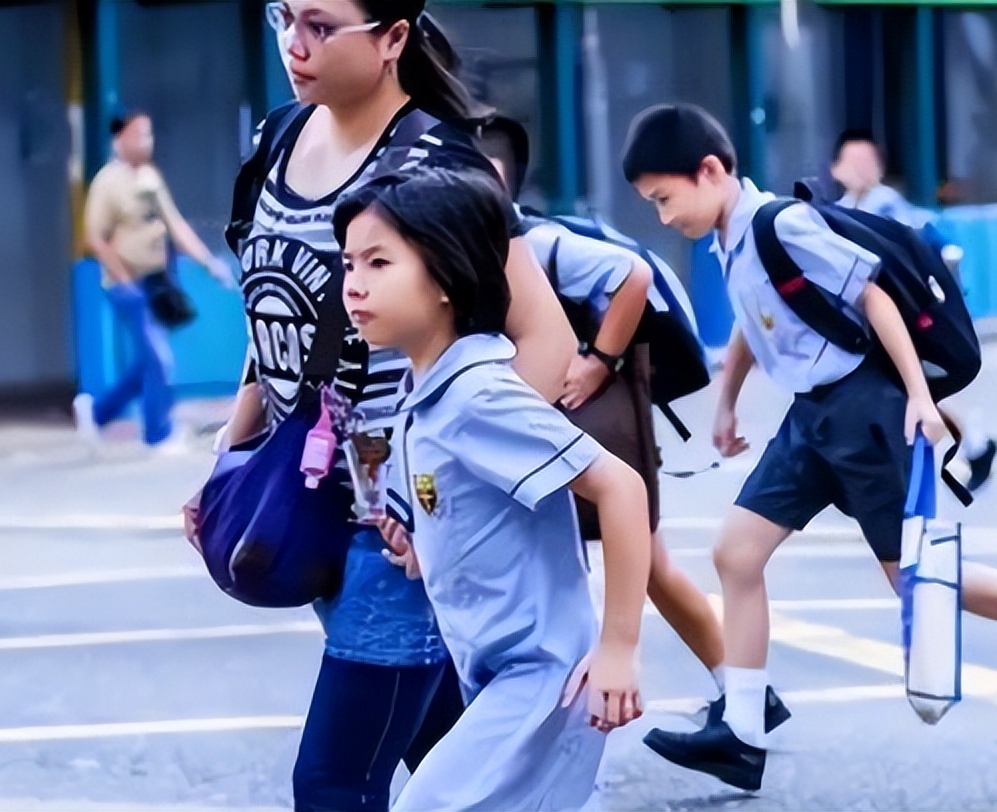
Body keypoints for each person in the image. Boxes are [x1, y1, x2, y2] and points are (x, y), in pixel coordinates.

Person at [621, 103, 997, 792]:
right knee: (735, 552)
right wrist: (727, 399)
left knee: (916, 582)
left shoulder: (783, 224)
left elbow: (872, 296)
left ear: (710, 171)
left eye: (663, 199)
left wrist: (922, 400)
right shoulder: (730, 237)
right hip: (812, 421)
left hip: (864, 415)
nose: (662, 217)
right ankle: (741, 734)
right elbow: (754, 318)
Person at [197, 3, 576, 810]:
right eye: (284, 18)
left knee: (336, 778)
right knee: (442, 751)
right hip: (305, 497)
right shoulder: (277, 139)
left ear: (394, 38)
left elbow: (546, 341)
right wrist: (230, 459)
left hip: (396, 524)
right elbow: (277, 316)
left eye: (322, 26)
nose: (294, 46)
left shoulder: (438, 164)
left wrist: (440, 489)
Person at [337, 165, 649, 812]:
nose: (354, 286)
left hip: (543, 684)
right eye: (348, 265)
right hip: (500, 677)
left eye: (377, 263)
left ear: (446, 278)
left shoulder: (478, 395)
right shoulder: (425, 390)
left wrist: (618, 647)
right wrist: (427, 541)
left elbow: (620, 488)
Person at [477, 117, 790, 736]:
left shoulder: (530, 243)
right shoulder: (475, 245)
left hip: (588, 414)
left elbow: (632, 275)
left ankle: (742, 693)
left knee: (639, 560)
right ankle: (746, 693)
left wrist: (595, 363)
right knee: (646, 563)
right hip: (560, 418)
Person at [831, 128, 997, 490]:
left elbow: (921, 252)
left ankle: (964, 449)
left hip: (907, 321)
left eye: (869, 161)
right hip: (866, 329)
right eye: (853, 161)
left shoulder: (889, 206)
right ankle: (972, 445)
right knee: (901, 396)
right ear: (836, 169)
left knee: (908, 394)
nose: (862, 169)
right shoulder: (836, 212)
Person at [75, 111, 233, 450]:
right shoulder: (107, 182)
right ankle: (158, 434)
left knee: (149, 360)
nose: (146, 142)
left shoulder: (149, 177)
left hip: (157, 282)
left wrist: (208, 263)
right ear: (119, 140)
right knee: (158, 358)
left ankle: (98, 414)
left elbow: (174, 224)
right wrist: (123, 279)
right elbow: (96, 237)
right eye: (138, 135)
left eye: (149, 135)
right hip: (127, 285)